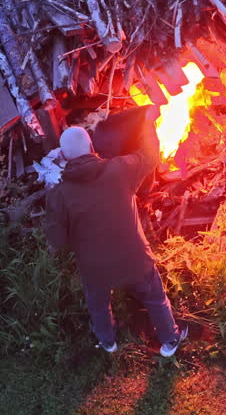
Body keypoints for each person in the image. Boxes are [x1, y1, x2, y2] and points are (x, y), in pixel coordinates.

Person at [43, 111, 188, 357]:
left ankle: (108, 342)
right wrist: (148, 124)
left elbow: (57, 241)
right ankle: (169, 341)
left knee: (97, 304)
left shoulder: (59, 194)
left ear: (64, 156)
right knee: (154, 298)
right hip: (134, 259)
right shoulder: (120, 169)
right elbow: (151, 156)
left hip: (95, 268)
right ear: (91, 146)